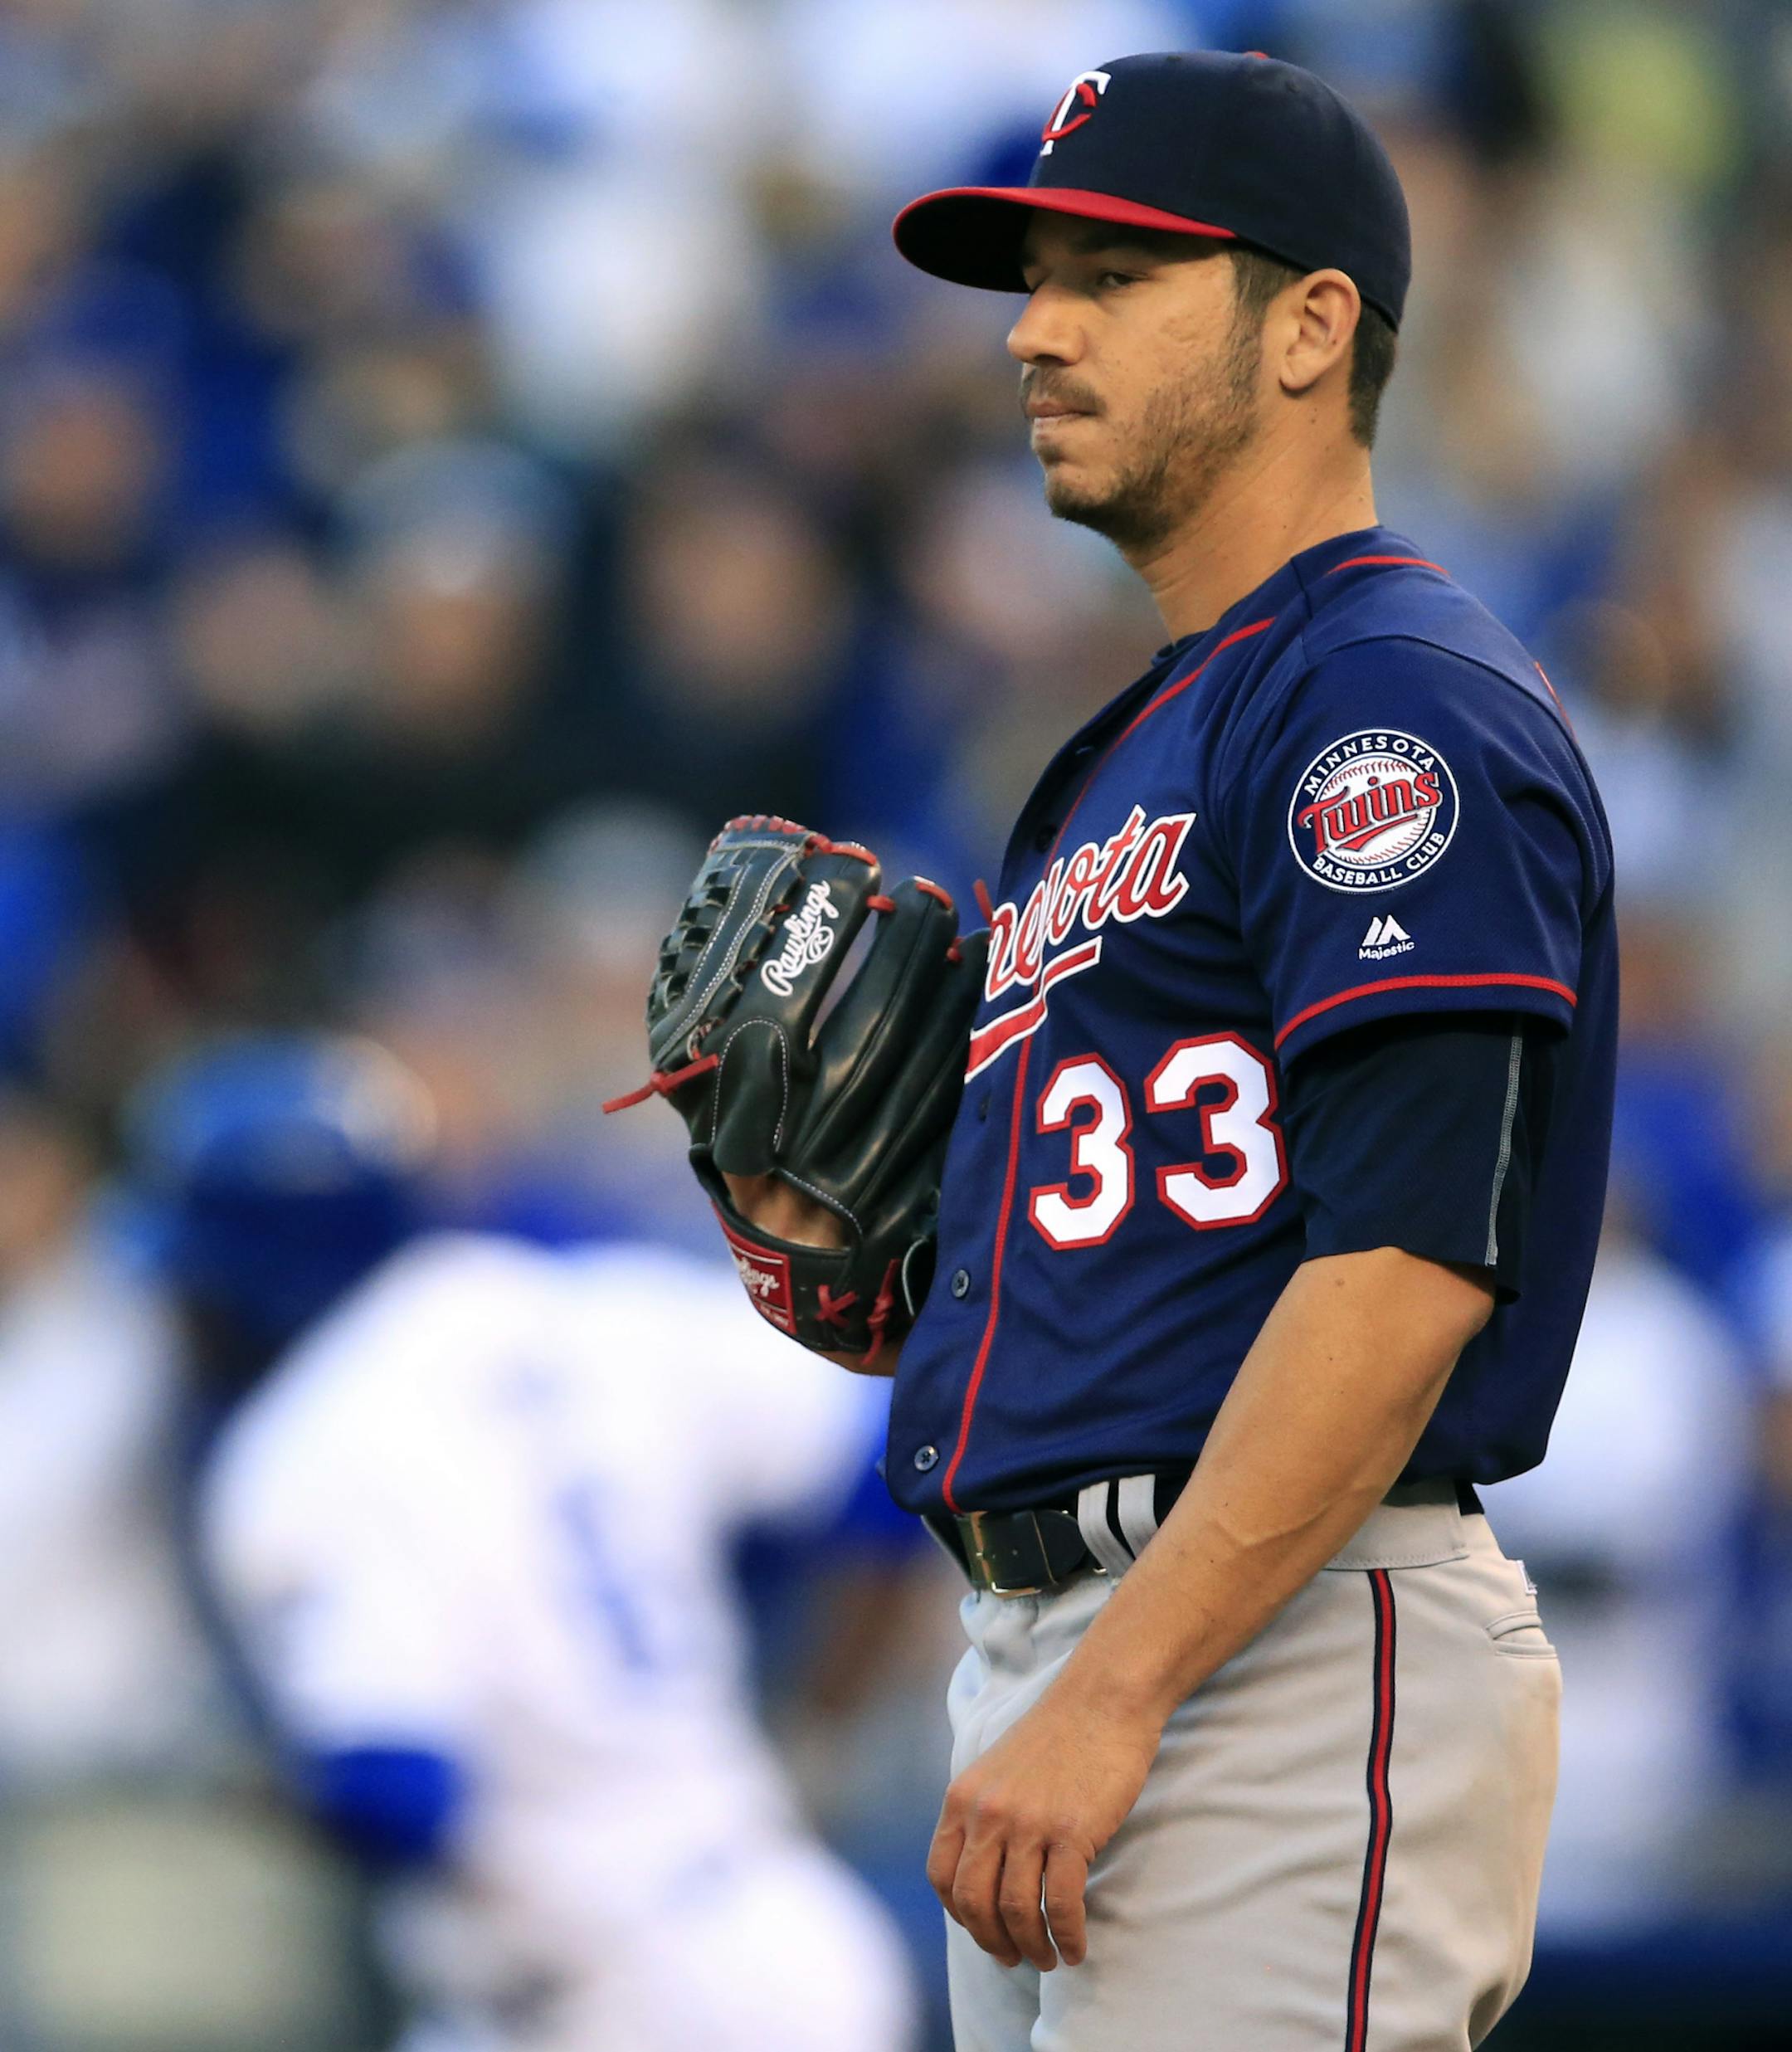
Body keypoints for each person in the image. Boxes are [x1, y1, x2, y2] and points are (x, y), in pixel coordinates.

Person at [705, 49, 1617, 2052]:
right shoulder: (1137, 741)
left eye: (1117, 274)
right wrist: (903, 1302)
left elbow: (1403, 1264)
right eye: (1035, 275)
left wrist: (1119, 1684)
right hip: (1071, 1634)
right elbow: (1173, 1244)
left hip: (1261, 1649)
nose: (1035, 327)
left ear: (1310, 326)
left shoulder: (1381, 701)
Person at [131, 1033, 916, 2052]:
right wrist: (819, 1731)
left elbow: (397, 1789)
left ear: (253, 1269)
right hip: (773, 1941)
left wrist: (254, 1784)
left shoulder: (300, 1451)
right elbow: (885, 1471)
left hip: (605, 1997)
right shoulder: (577, 1301)